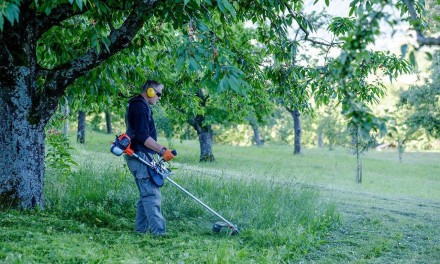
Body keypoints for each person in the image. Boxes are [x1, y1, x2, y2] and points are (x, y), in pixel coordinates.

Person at [124, 80, 175, 236]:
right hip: (139, 155)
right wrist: (162, 150)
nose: (159, 98)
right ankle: (159, 234)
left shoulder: (140, 105)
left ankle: (141, 231)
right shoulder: (139, 106)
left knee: (145, 195)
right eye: (158, 94)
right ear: (150, 91)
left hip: (141, 154)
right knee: (151, 195)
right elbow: (142, 136)